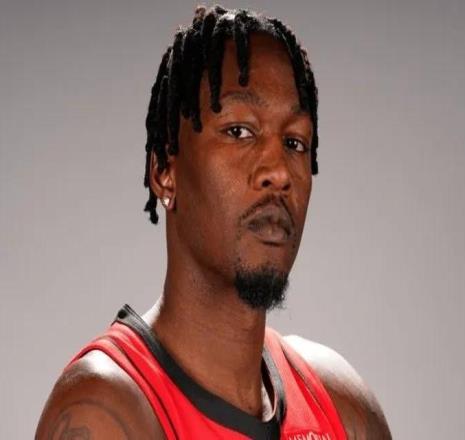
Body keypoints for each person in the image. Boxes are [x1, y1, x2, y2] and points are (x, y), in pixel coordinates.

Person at [36, 5, 392, 439]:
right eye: (239, 131)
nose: (279, 172)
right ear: (164, 170)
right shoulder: (108, 412)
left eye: (295, 142)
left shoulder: (341, 407)